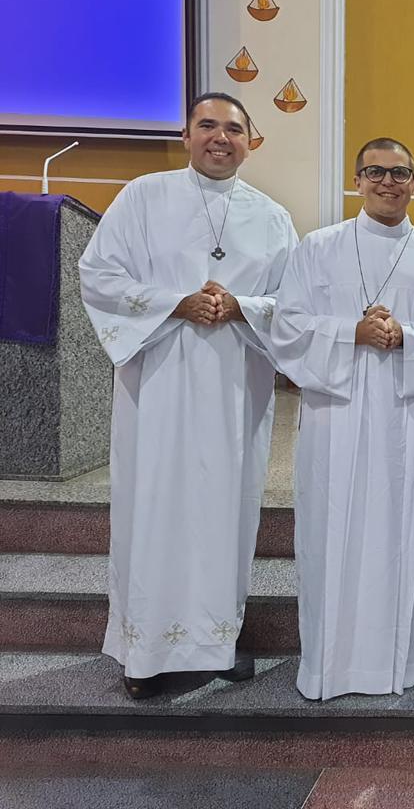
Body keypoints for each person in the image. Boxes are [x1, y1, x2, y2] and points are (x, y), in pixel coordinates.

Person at [79, 91, 296, 700]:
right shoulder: (144, 197)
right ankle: (144, 656)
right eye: (208, 125)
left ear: (252, 141)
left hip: (233, 389)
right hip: (160, 383)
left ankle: (216, 644)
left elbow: (294, 305)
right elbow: (99, 275)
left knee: (226, 510)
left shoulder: (272, 216)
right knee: (155, 505)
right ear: (186, 135)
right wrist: (176, 302)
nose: (220, 138)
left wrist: (240, 306)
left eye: (233, 128)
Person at [268, 137, 414, 700]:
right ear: (358, 179)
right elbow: (287, 328)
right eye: (375, 171)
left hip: (404, 420)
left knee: (401, 538)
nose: (387, 182)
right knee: (329, 533)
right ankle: (326, 666)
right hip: (335, 418)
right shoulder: (318, 247)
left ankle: (396, 664)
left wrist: (407, 335)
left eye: (400, 173)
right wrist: (349, 331)